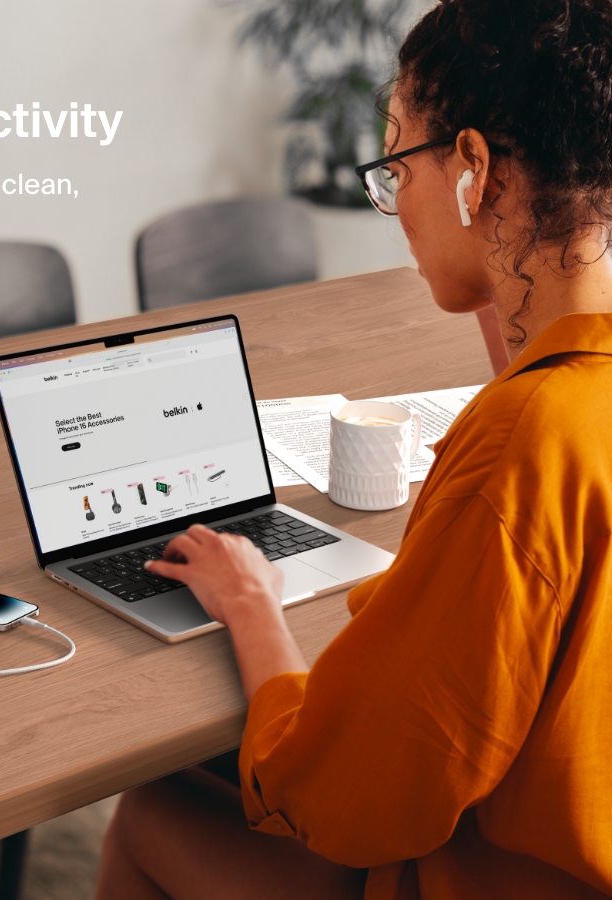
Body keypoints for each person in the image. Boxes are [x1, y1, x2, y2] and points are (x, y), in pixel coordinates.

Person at [93, 1, 612, 897]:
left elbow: (349, 801)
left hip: (495, 879)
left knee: (152, 812)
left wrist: (251, 605)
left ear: (473, 168)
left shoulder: (524, 444)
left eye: (396, 165)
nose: (394, 206)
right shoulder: (568, 401)